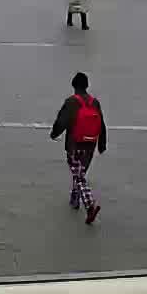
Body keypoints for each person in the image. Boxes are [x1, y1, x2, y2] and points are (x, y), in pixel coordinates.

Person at [51, 72, 108, 224]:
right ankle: (75, 199)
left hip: (74, 144)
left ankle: (90, 205)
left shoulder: (71, 102)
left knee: (79, 176)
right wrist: (102, 144)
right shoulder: (95, 102)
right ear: (87, 86)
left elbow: (61, 121)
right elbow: (101, 124)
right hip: (90, 145)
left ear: (73, 86)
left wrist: (54, 134)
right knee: (80, 171)